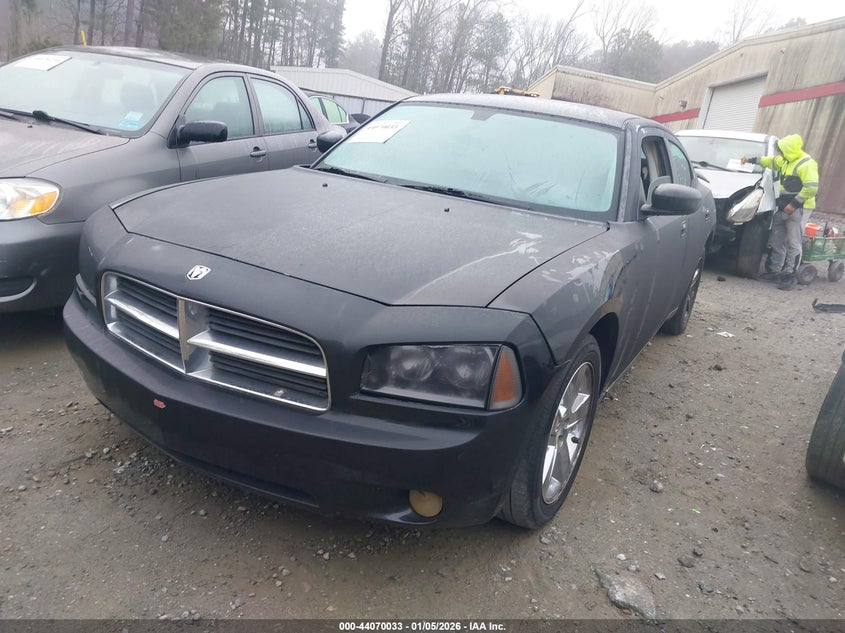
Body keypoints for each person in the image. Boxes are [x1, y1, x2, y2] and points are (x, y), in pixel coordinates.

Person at [741, 134, 820, 291]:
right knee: (777, 240)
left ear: (789, 150)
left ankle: (790, 275)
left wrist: (794, 204)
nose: (780, 154)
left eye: (782, 150)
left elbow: (811, 187)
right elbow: (768, 161)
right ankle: (774, 271)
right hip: (783, 206)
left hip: (798, 207)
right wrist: (749, 160)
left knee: (793, 242)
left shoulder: (806, 164)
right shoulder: (784, 161)